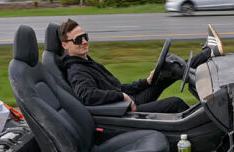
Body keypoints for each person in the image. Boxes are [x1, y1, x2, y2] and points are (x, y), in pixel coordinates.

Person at [58, 18, 213, 114]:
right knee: (175, 103)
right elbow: (87, 95)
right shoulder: (76, 70)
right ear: (65, 45)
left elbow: (119, 87)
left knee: (168, 70)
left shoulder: (86, 62)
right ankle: (207, 127)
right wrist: (121, 97)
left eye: (85, 37)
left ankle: (208, 53)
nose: (84, 42)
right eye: (78, 40)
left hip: (128, 100)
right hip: (124, 110)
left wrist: (146, 82)